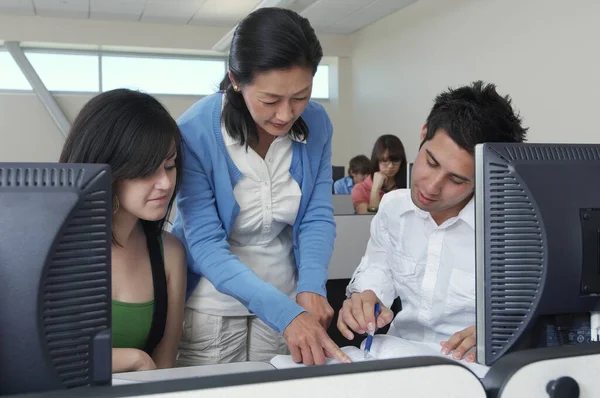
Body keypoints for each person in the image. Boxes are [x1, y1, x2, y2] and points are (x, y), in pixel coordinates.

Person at [171, 7, 350, 367]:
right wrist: (284, 313)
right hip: (213, 306)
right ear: (235, 80)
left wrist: (312, 286)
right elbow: (204, 243)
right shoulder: (195, 130)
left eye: (300, 96)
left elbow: (316, 216)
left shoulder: (316, 122)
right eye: (269, 100)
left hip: (290, 299)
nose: (285, 114)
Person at [337, 81, 528, 363]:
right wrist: (365, 297)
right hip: (398, 356)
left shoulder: (513, 229)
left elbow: (539, 319)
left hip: (472, 369)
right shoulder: (393, 208)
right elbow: (378, 269)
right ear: (424, 134)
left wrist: (500, 335)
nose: (432, 187)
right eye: (431, 162)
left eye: (457, 179)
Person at [59, 89, 187, 373]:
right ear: (107, 171)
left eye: (169, 165)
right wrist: (134, 359)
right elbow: (40, 356)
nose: (165, 183)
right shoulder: (54, 248)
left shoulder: (170, 253)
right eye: (146, 170)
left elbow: (164, 368)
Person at [352, 134, 407, 214]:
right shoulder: (360, 189)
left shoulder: (408, 187)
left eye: (395, 160)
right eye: (384, 160)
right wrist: (375, 189)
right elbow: (368, 219)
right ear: (376, 160)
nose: (391, 166)